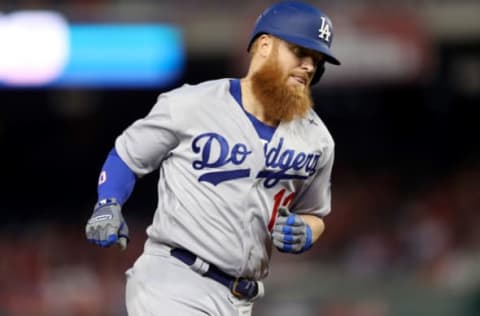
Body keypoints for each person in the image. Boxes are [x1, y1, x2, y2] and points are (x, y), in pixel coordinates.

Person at [85, 1, 341, 315]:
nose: (309, 66)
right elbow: (127, 155)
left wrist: (307, 230)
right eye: (300, 52)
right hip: (174, 280)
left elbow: (315, 215)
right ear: (264, 45)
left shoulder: (317, 140)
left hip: (240, 299)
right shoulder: (192, 104)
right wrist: (108, 203)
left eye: (317, 60)